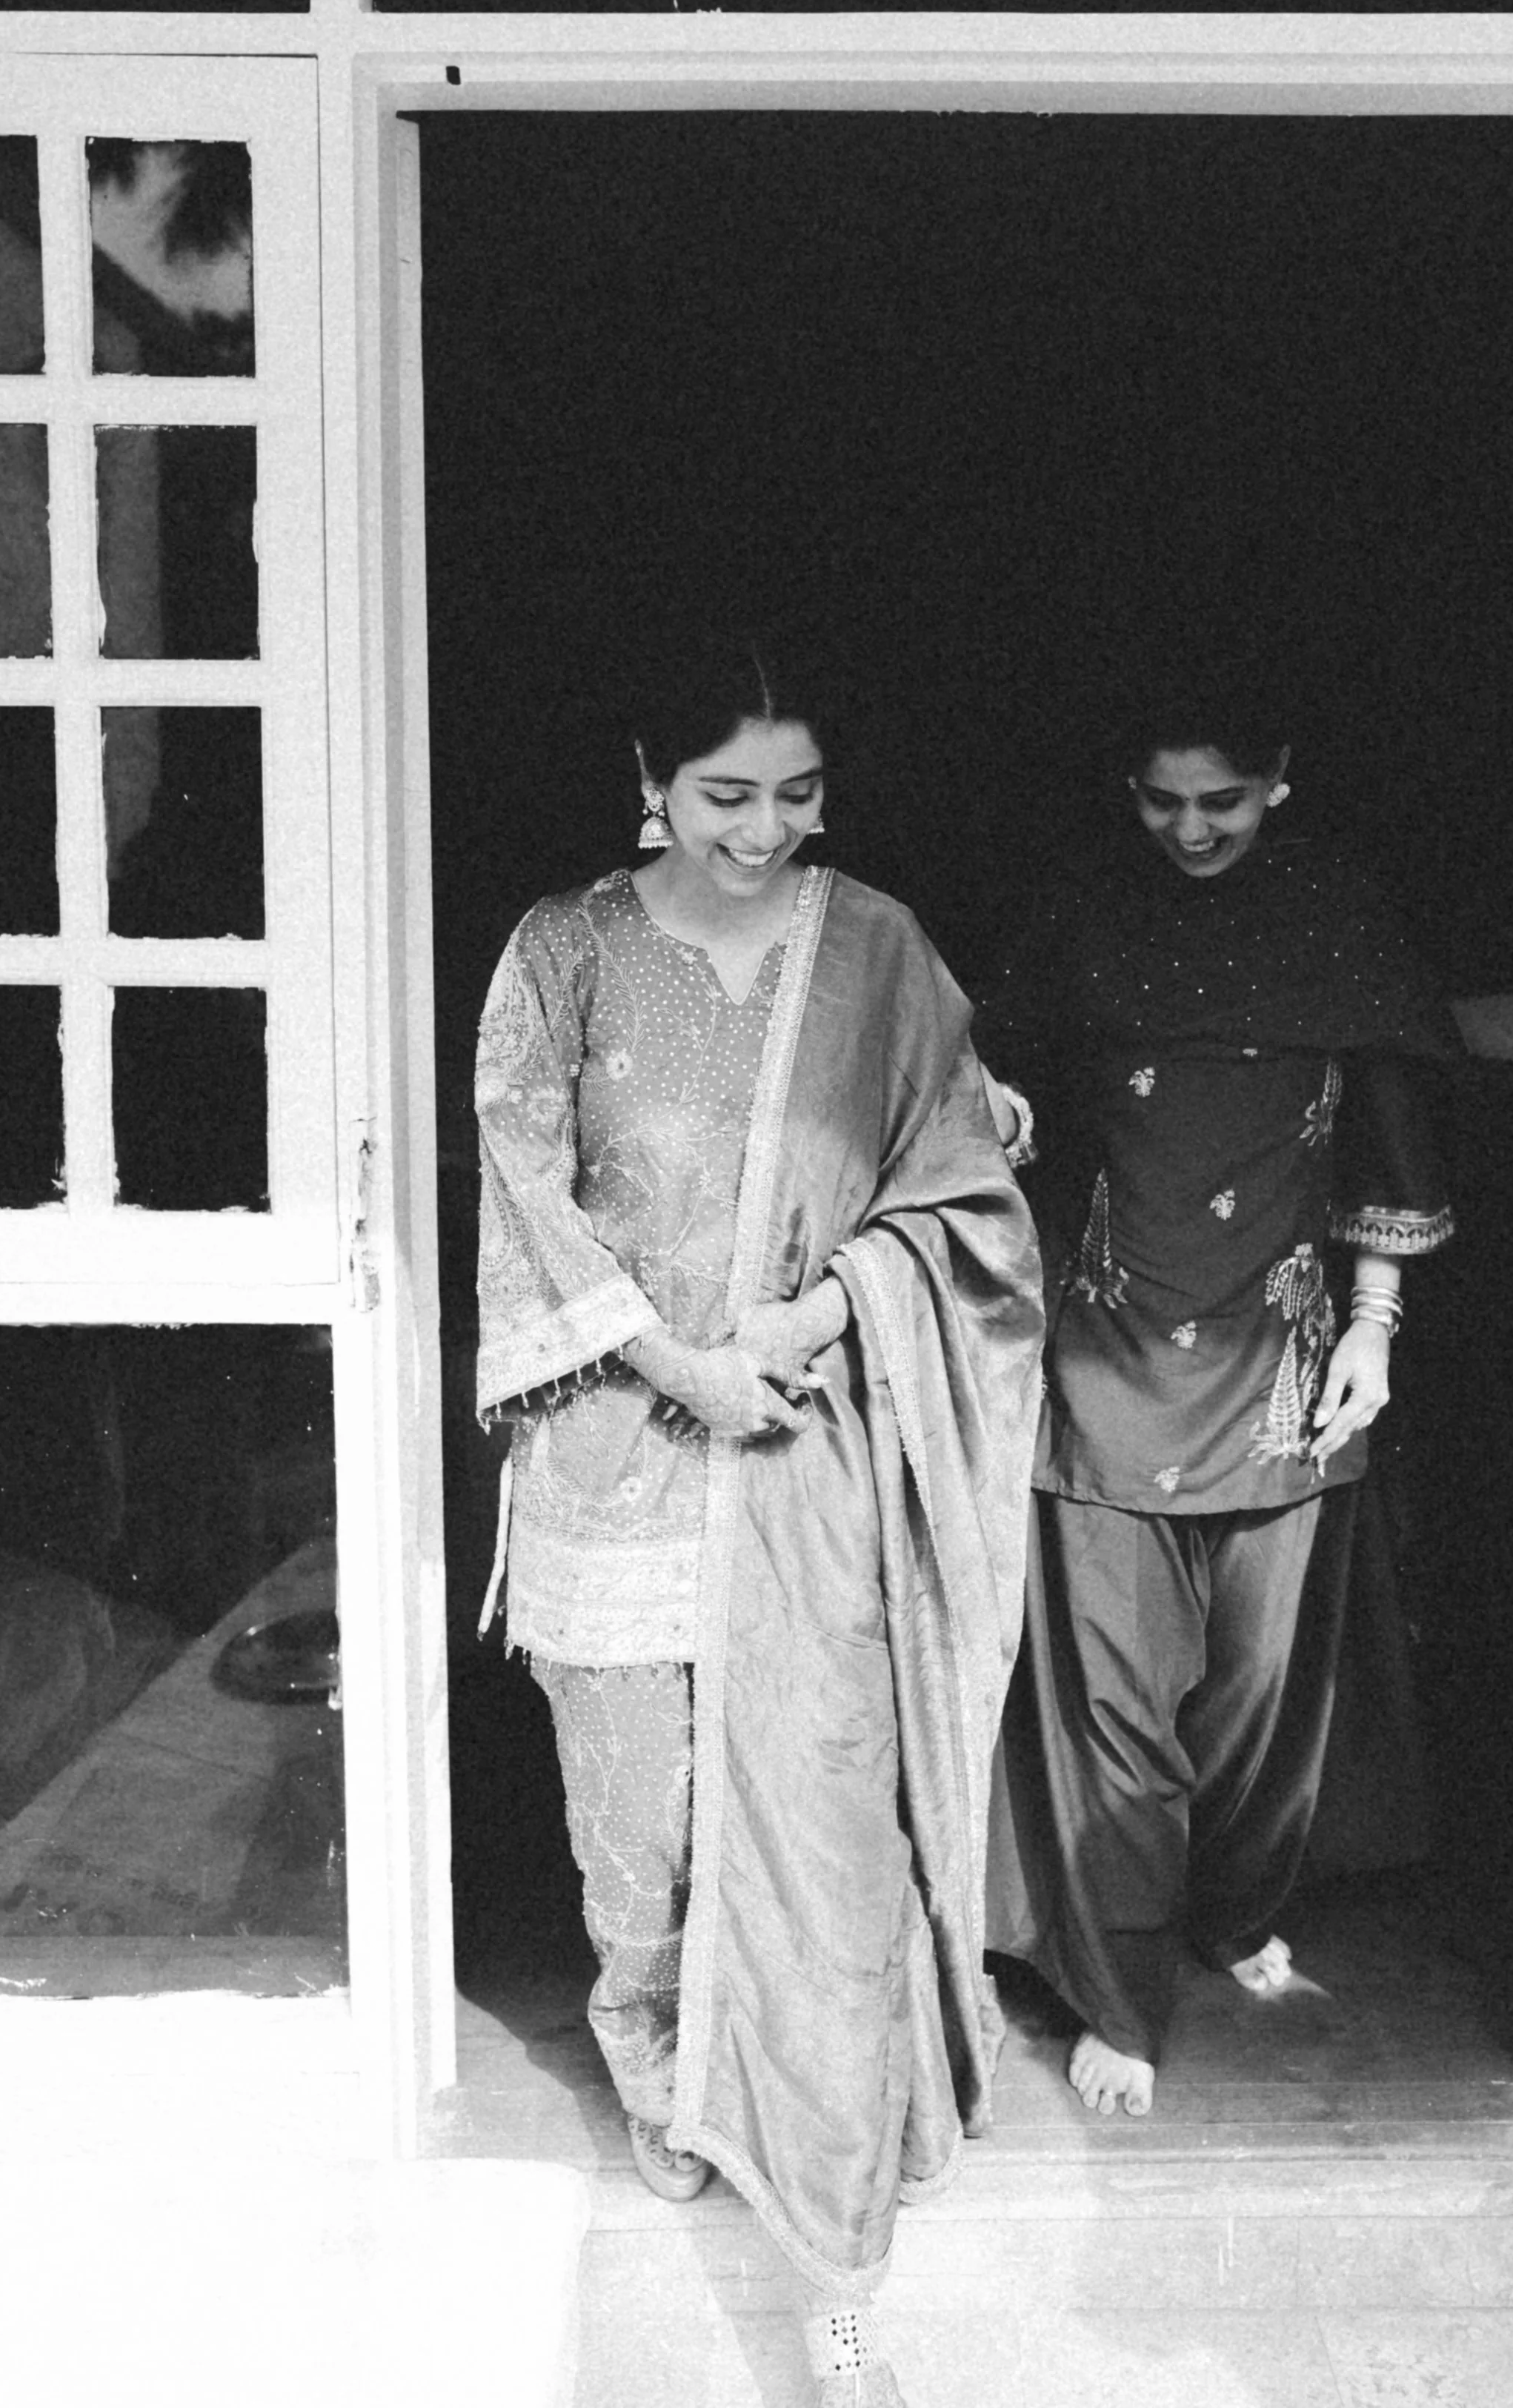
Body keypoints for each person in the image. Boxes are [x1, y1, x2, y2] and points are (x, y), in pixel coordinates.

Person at [472, 645, 1043, 2403]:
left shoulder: (873, 944)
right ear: (652, 773)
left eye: (796, 794)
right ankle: (653, 2058)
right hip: (611, 1452)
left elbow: (959, 1181)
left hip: (804, 1454)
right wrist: (671, 1364)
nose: (765, 828)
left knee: (809, 1820)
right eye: (727, 794)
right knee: (635, 1826)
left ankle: (810, 2150)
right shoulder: (560, 950)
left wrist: (808, 1321)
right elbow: (524, 1185)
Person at [978, 660, 1457, 2120]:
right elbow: (993, 1117)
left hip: (1286, 1366)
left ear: (1278, 781)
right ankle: (1114, 2001)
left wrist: (1372, 1329)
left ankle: (1234, 1916)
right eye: (1163, 802)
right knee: (1112, 1708)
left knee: (1255, 1694)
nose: (1191, 829)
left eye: (1223, 801)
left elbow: (1385, 1149)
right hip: (1106, 1365)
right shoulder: (1081, 920)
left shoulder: (1333, 920)